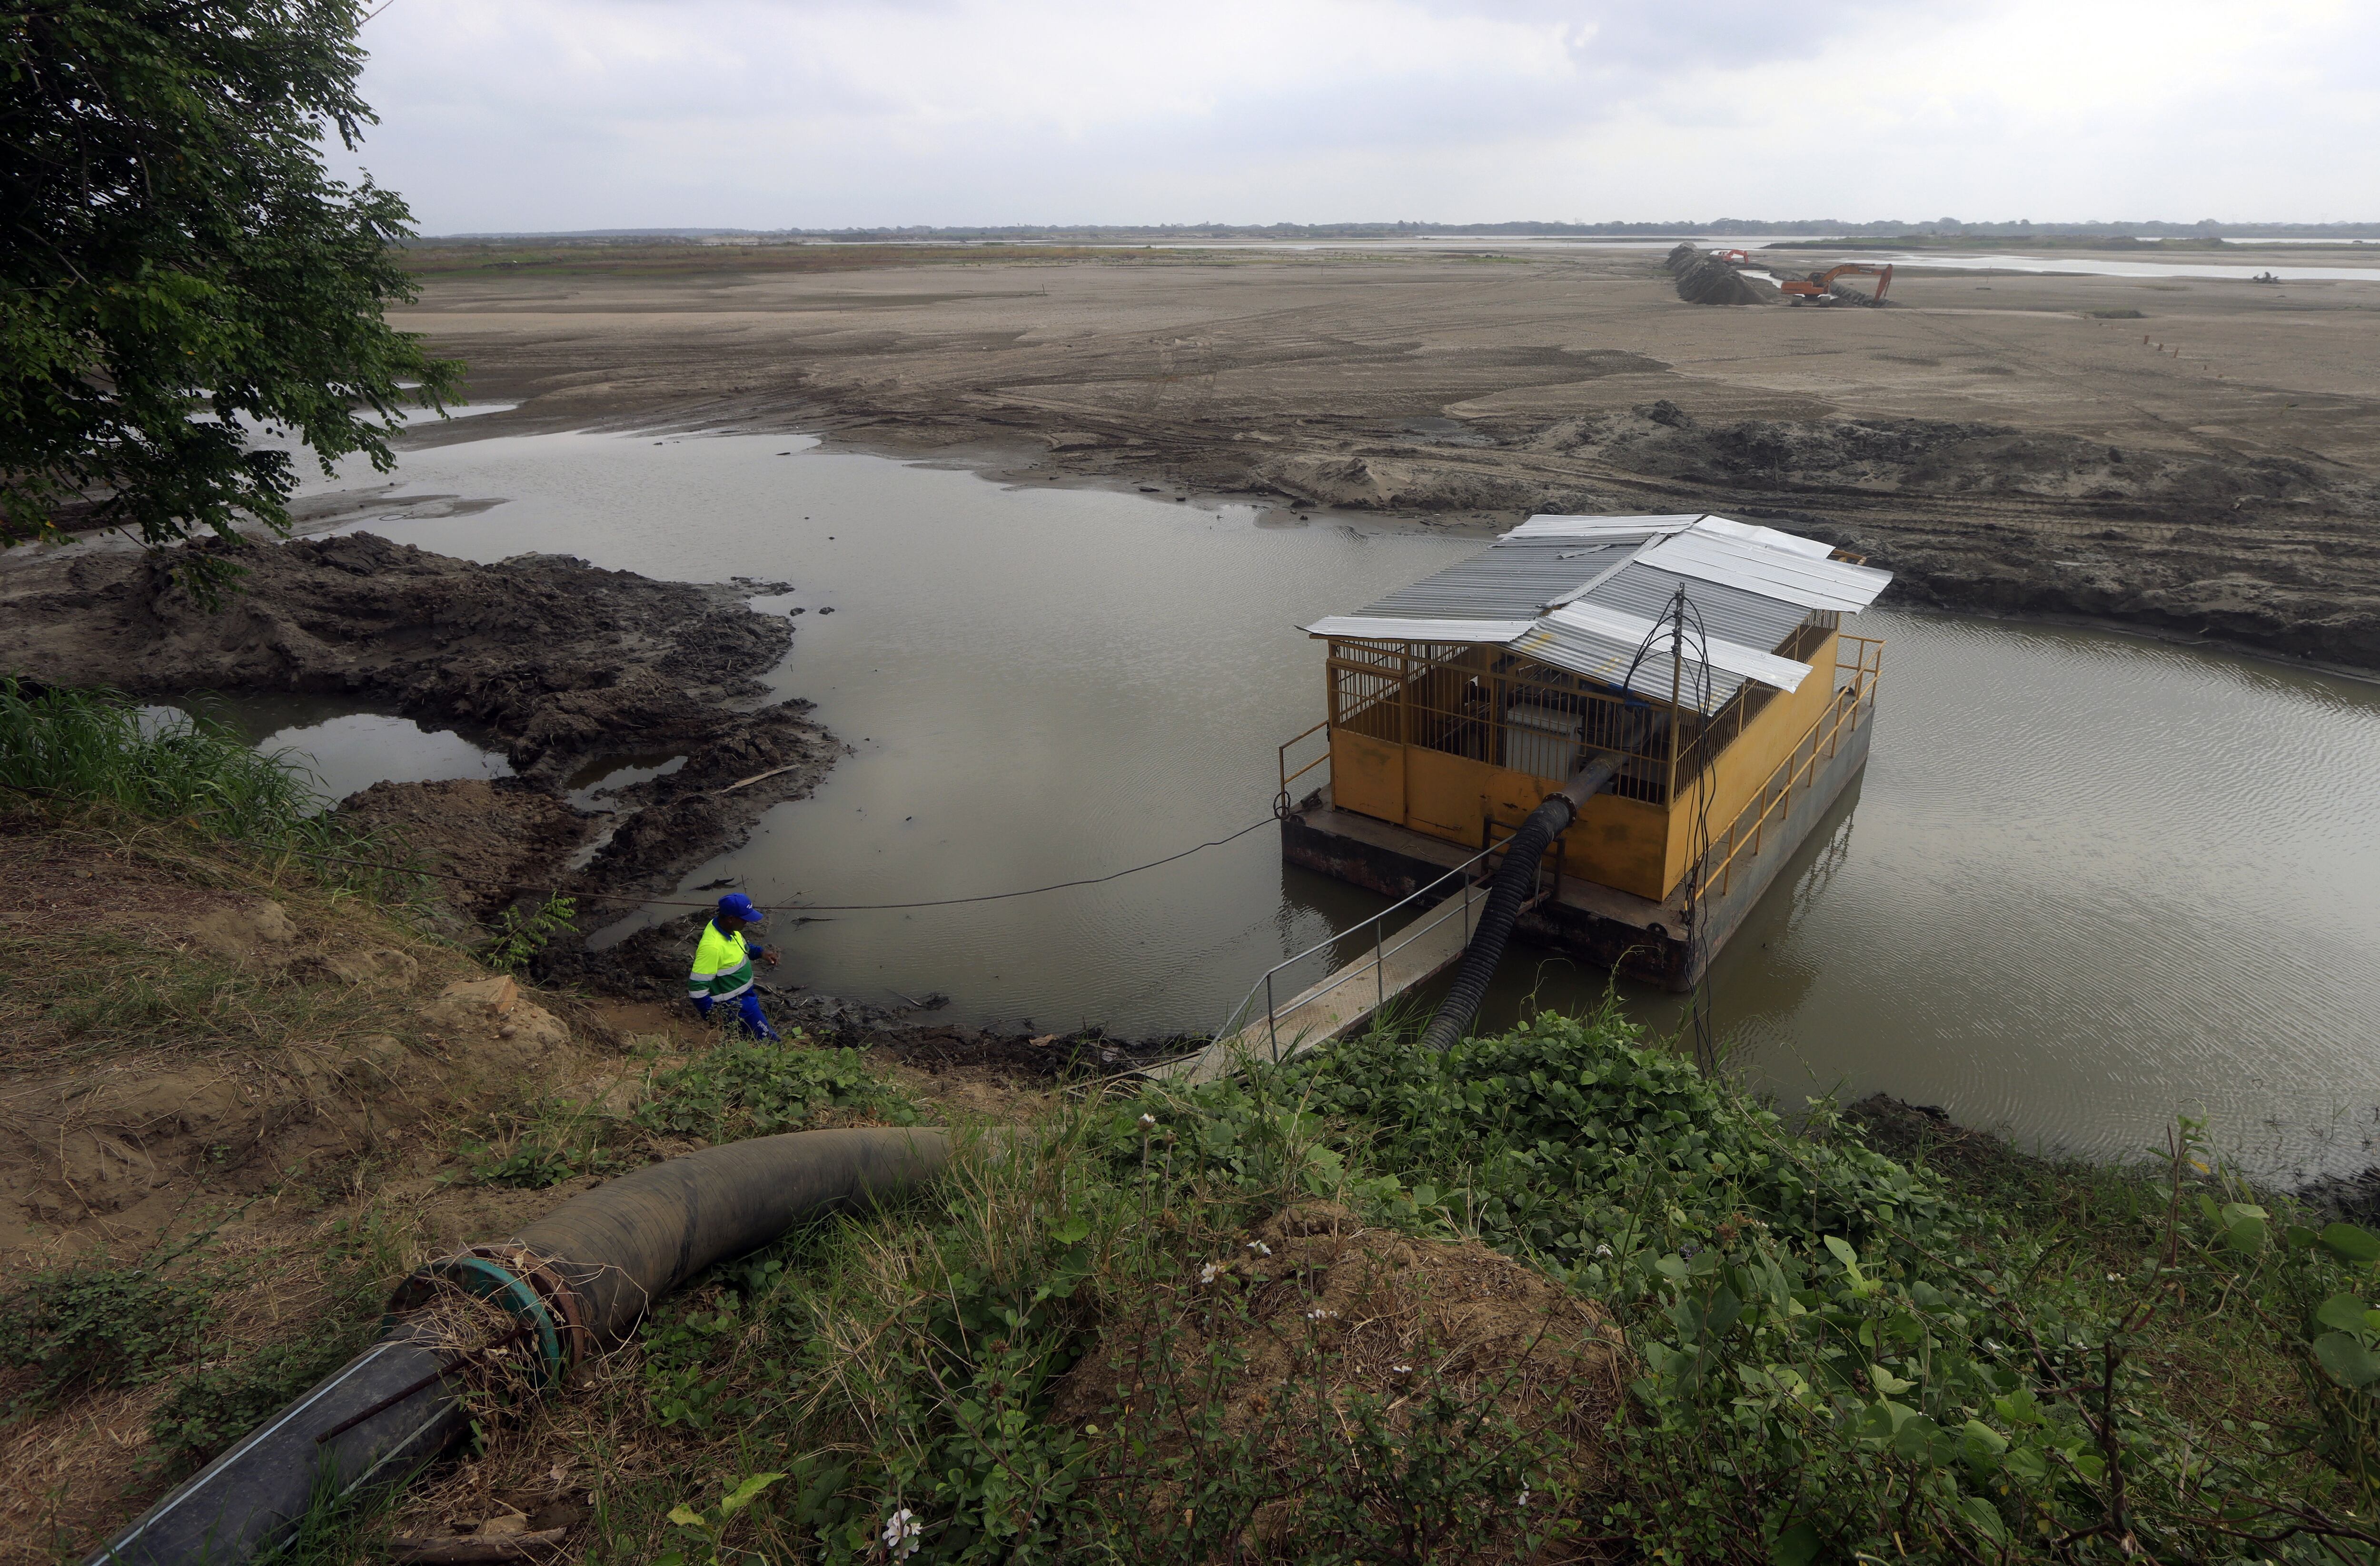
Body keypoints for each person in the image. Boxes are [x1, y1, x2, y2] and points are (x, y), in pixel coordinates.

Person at [687, 893, 783, 1039]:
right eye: (744, 919)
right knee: (769, 1041)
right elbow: (696, 988)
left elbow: (742, 948)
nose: (747, 923)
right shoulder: (712, 948)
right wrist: (711, 1015)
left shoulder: (728, 929)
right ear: (731, 919)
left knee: (744, 1039)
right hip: (736, 1007)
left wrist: (762, 953)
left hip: (745, 999)